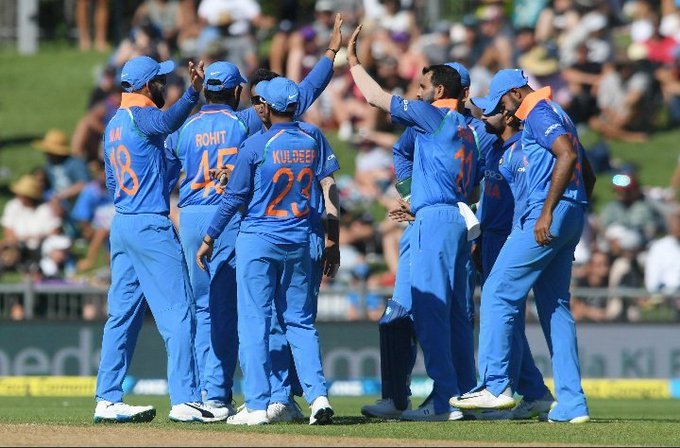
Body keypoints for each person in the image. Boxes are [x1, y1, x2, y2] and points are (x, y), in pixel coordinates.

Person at [165, 14, 343, 421]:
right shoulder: (246, 122)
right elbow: (305, 92)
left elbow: (164, 165)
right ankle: (274, 395)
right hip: (234, 217)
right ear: (239, 92)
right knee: (257, 311)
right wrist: (331, 52)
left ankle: (213, 395)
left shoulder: (184, 130)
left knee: (206, 309)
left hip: (191, 216)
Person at [348, 25, 479, 421]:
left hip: (435, 221)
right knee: (419, 311)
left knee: (430, 311)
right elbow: (412, 157)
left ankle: (445, 399)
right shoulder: (467, 130)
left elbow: (374, 97)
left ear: (439, 91)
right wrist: (414, 195)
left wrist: (352, 62)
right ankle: (428, 396)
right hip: (449, 216)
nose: (417, 93)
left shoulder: (430, 114)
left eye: (423, 87)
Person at [451, 69, 596, 424]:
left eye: (503, 103)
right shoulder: (560, 113)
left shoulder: (538, 111)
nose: (505, 111)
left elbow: (566, 156)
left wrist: (548, 212)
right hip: (570, 212)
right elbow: (588, 174)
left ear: (516, 93)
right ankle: (572, 403)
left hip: (545, 214)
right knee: (555, 309)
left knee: (498, 291)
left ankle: (496, 386)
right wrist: (569, 218)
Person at [196, 77, 340, 426]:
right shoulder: (313, 139)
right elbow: (330, 187)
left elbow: (233, 198)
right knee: (300, 322)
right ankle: (318, 397)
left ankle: (258, 404)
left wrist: (210, 237)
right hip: (300, 239)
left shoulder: (256, 144)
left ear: (269, 107)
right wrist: (332, 235)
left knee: (254, 321)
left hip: (259, 239)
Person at [94, 55, 221, 423]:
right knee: (180, 311)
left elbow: (113, 182)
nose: (165, 85)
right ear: (148, 86)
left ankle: (107, 398)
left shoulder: (114, 124)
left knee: (121, 316)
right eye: (161, 80)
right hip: (150, 224)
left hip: (123, 224)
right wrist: (194, 93)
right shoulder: (142, 115)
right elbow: (167, 122)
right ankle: (185, 399)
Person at [473, 96, 554, 419]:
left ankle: (500, 390)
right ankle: (534, 392)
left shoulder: (522, 149)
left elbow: (525, 202)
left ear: (507, 116)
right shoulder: (494, 147)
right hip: (489, 238)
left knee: (506, 317)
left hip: (509, 238)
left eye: (490, 111)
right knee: (505, 320)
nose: (483, 116)